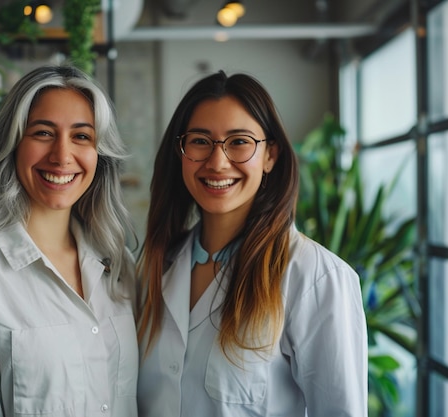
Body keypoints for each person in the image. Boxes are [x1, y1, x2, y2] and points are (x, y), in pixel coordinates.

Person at [136, 70, 367, 416]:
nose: (217, 162)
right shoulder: (155, 266)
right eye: (200, 141)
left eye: (239, 142)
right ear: (180, 152)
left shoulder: (313, 276)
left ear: (270, 155)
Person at [0, 65, 139, 417]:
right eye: (42, 133)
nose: (62, 155)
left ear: (100, 155)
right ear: (11, 145)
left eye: (81, 136)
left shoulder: (118, 264)